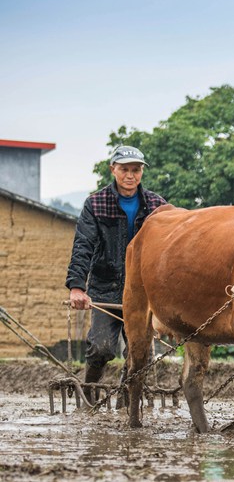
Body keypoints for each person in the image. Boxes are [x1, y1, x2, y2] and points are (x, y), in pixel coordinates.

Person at [65, 145, 167, 399]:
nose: (130, 175)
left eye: (135, 170)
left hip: (143, 293)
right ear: (113, 170)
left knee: (140, 353)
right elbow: (83, 246)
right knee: (101, 348)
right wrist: (77, 286)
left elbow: (171, 247)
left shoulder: (157, 206)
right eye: (124, 169)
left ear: (142, 172)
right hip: (107, 289)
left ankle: (127, 400)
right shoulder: (96, 204)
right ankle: (89, 394)